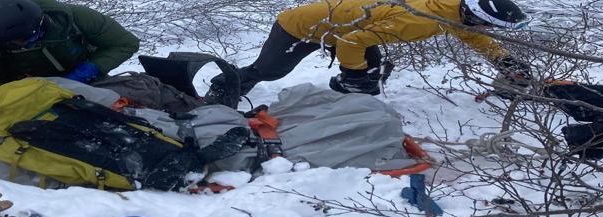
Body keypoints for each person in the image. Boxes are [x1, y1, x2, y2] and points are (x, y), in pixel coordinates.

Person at [207, 0, 532, 100]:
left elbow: (472, 37)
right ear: (475, 17)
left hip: (347, 28)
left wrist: (504, 60)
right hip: (301, 27)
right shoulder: (420, 21)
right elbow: (352, 42)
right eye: (488, 26)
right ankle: (223, 90)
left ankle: (347, 99)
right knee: (269, 71)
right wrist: (353, 72)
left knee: (369, 79)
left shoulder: (450, 9)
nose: (487, 31)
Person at [0, 0, 140, 90]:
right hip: (27, 92)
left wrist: (90, 69)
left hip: (90, 79)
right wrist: (27, 94)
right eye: (15, 43)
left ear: (42, 20)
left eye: (29, 37)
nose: (25, 44)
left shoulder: (70, 17)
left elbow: (124, 43)